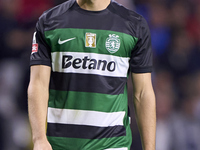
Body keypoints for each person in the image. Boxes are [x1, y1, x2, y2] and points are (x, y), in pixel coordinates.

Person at [27, 0, 156, 150]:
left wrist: (150, 147)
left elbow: (143, 93)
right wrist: (39, 139)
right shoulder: (49, 21)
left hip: (112, 143)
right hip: (59, 143)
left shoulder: (134, 25)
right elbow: (38, 85)